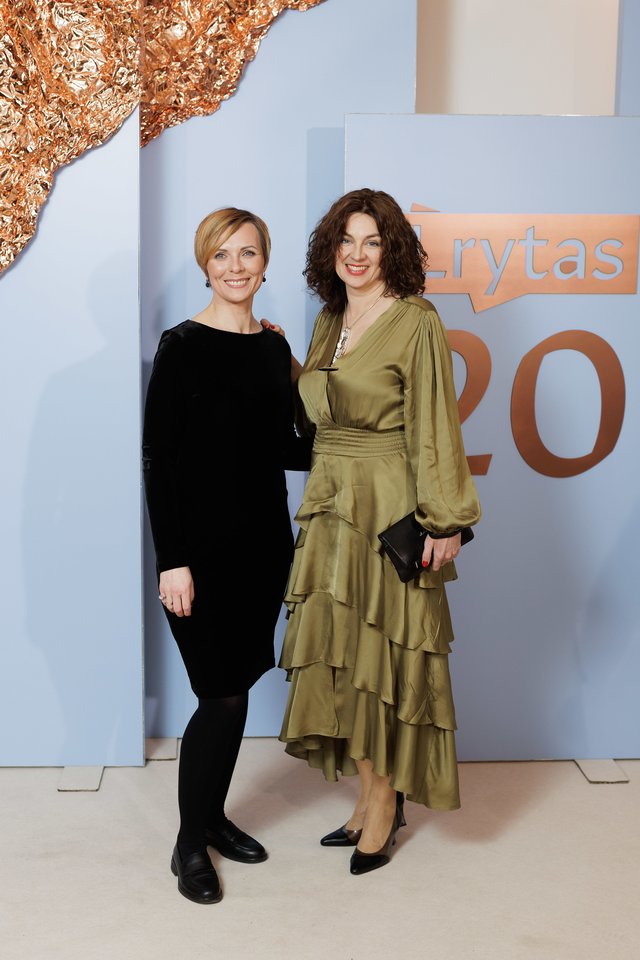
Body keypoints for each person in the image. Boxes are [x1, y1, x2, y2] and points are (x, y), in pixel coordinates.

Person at [278, 188, 481, 875]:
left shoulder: (416, 319)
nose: (357, 254)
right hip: (331, 504)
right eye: (346, 241)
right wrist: (286, 362)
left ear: (391, 249)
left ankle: (386, 802)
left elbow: (435, 422)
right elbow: (319, 412)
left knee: (383, 657)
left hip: (388, 501)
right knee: (344, 657)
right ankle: (369, 798)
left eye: (372, 241)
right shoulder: (328, 320)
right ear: (329, 250)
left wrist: (445, 519)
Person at [143, 208, 310, 904]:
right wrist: (172, 561)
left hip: (262, 549)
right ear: (204, 264)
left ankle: (212, 817)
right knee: (218, 694)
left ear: (264, 263)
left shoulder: (272, 348)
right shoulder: (181, 345)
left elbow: (289, 449)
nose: (235, 266)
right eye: (222, 254)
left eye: (248, 253)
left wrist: (302, 375)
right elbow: (159, 461)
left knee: (237, 687)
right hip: (199, 556)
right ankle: (189, 844)